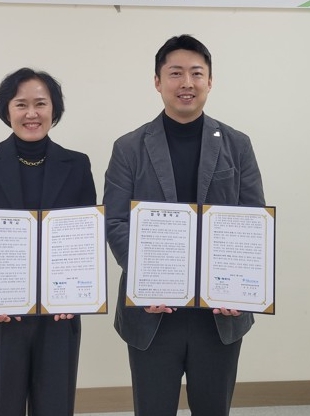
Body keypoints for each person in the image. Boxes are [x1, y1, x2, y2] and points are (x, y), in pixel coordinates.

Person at [104, 34, 265, 416]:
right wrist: (147, 279)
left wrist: (239, 289)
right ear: (157, 81)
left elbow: (253, 220)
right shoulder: (129, 147)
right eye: (175, 73)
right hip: (153, 311)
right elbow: (116, 221)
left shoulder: (237, 144)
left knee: (213, 408)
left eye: (196, 73)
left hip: (219, 312)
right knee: (153, 408)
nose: (186, 83)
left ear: (210, 80)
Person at [0, 68, 97, 416]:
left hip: (58, 315)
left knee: (55, 407)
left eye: (40, 104)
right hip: (0, 315)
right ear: (7, 110)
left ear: (54, 109)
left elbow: (87, 238)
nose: (32, 113)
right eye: (21, 104)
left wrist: (76, 294)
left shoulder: (77, 165)